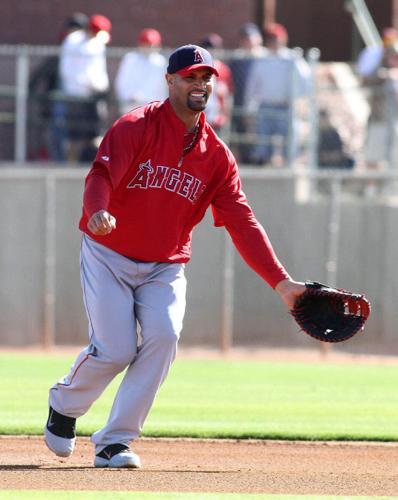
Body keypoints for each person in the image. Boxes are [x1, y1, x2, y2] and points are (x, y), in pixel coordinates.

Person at [44, 44, 306, 469]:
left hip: (165, 264)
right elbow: (101, 176)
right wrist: (97, 211)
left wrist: (281, 282)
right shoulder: (136, 126)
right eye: (190, 77)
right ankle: (64, 404)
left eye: (206, 77)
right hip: (108, 253)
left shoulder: (217, 157)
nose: (199, 84)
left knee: (164, 337)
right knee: (114, 349)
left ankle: (115, 441)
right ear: (170, 81)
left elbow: (243, 222)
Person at [243, 23, 311, 166]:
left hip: (285, 106)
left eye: (276, 39)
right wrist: (249, 108)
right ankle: (263, 171)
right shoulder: (262, 59)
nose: (273, 43)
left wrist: (296, 99)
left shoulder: (292, 58)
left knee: (289, 143)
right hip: (265, 105)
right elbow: (252, 86)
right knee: (263, 144)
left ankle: (288, 169)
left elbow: (305, 80)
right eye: (270, 40)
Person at [28, 12, 89, 161]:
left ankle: (76, 162)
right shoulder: (58, 56)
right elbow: (36, 78)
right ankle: (60, 161)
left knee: (82, 133)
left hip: (80, 102)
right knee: (58, 132)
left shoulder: (88, 53)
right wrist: (37, 97)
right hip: (58, 103)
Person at [58, 13, 112, 162]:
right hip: (76, 96)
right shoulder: (73, 41)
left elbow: (99, 70)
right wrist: (85, 84)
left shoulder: (97, 43)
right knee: (75, 137)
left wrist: (101, 86)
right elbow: (67, 70)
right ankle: (69, 167)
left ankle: (96, 168)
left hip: (95, 96)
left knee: (97, 135)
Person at [228, 22, 265, 163]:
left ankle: (259, 162)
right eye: (245, 38)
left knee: (259, 137)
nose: (248, 41)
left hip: (260, 104)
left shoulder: (265, 57)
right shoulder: (237, 58)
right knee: (240, 136)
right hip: (240, 102)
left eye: (250, 38)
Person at [114, 28, 168, 115]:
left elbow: (162, 88)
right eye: (146, 45)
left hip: (153, 109)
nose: (149, 48)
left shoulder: (161, 62)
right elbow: (122, 82)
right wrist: (129, 96)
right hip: (131, 107)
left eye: (151, 45)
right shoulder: (130, 59)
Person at [198, 33, 234, 138]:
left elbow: (228, 94)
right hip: (201, 113)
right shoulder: (199, 69)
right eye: (210, 48)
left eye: (216, 48)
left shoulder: (224, 69)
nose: (213, 51)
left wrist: (226, 114)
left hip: (218, 115)